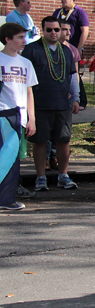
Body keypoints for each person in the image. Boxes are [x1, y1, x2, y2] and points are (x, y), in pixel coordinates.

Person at [23, 16, 79, 191]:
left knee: (63, 140)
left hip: (62, 104)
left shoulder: (66, 51)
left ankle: (63, 175)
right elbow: (25, 80)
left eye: (57, 29)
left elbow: (72, 75)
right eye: (49, 30)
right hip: (40, 104)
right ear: (43, 30)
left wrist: (75, 97)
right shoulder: (32, 50)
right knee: (40, 141)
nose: (53, 33)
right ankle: (41, 178)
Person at [0, 23, 38, 210]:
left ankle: (6, 198)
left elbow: (29, 92)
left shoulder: (26, 63)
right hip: (4, 114)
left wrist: (32, 118)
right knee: (6, 156)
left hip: (19, 117)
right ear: (8, 39)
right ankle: (5, 199)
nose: (24, 41)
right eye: (20, 38)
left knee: (13, 157)